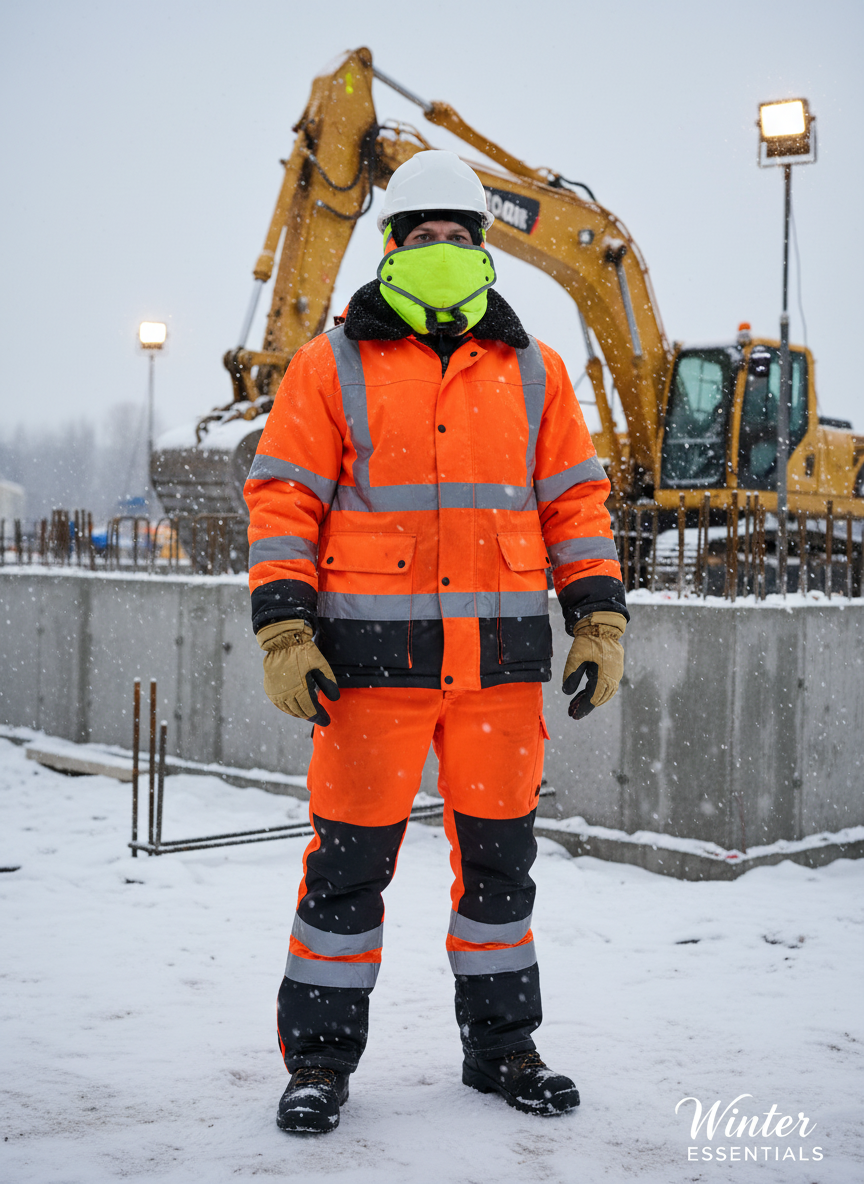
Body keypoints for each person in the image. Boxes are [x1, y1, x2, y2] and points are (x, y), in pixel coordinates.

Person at [244, 150, 628, 1134]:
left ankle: (502, 1048)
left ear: (486, 246)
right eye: (426, 235)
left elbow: (575, 504)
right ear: (391, 246)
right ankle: (319, 1061)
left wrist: (598, 617)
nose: (444, 247)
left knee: (500, 875)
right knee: (345, 875)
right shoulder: (329, 364)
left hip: (499, 678)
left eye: (460, 234)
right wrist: (284, 627)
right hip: (369, 675)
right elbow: (284, 499)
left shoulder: (537, 371)